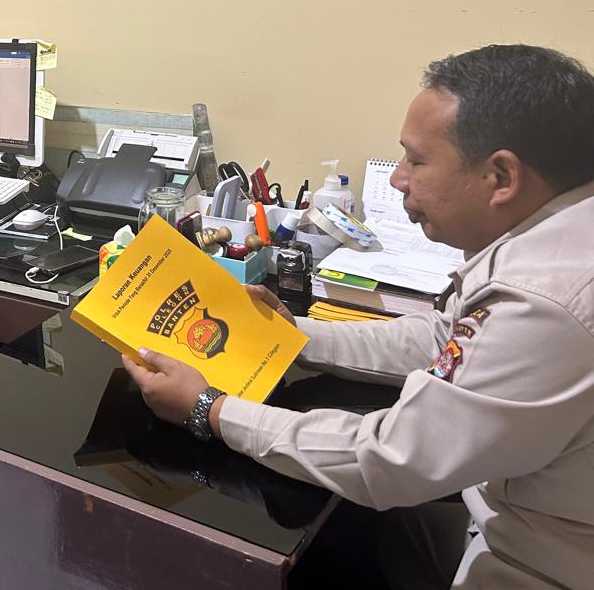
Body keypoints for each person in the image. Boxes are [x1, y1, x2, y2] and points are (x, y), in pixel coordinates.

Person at [123, 44, 594, 590]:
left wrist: (211, 408)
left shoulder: (544, 298)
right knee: (350, 535)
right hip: (516, 518)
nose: (398, 179)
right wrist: (292, 336)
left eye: (416, 160)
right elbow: (443, 338)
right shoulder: (560, 236)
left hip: (536, 567)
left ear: (501, 176)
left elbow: (391, 460)